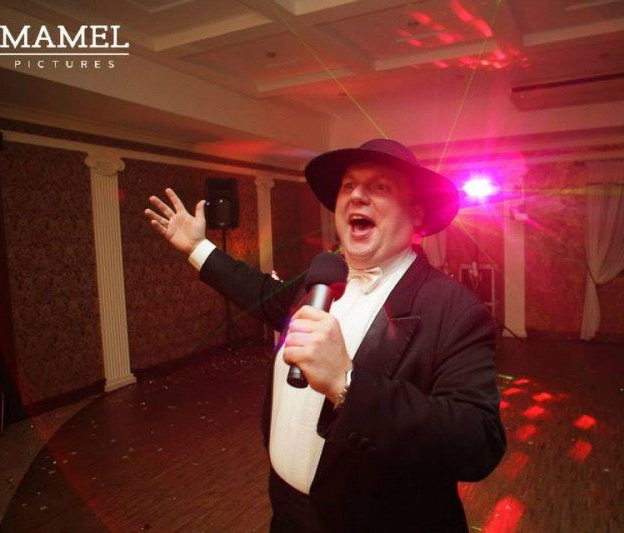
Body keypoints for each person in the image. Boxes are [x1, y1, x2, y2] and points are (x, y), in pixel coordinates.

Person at [144, 139, 506, 532]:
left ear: (416, 214)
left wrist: (346, 382)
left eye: (380, 186)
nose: (357, 195)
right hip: (287, 512)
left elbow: (477, 441)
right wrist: (198, 247)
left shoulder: (454, 309)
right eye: (349, 185)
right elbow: (260, 293)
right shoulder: (321, 280)